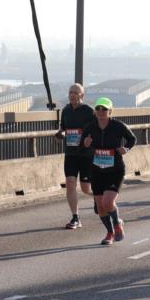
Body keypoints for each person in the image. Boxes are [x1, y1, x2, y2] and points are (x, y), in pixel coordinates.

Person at [82, 98, 136, 245]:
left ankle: (118, 223)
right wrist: (86, 144)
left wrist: (126, 149)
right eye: (98, 108)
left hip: (115, 170)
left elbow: (132, 139)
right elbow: (83, 143)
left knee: (108, 201)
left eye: (104, 109)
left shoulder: (118, 126)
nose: (101, 111)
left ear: (110, 111)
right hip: (97, 170)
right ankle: (110, 232)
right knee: (100, 206)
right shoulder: (90, 127)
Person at [56, 83, 95, 229]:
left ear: (82, 96)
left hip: (86, 154)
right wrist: (61, 133)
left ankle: (97, 197)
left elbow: (96, 130)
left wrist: (89, 139)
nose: (72, 95)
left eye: (75, 93)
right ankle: (75, 217)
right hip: (71, 153)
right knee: (70, 183)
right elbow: (64, 128)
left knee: (86, 188)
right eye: (70, 92)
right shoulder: (66, 110)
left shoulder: (89, 111)